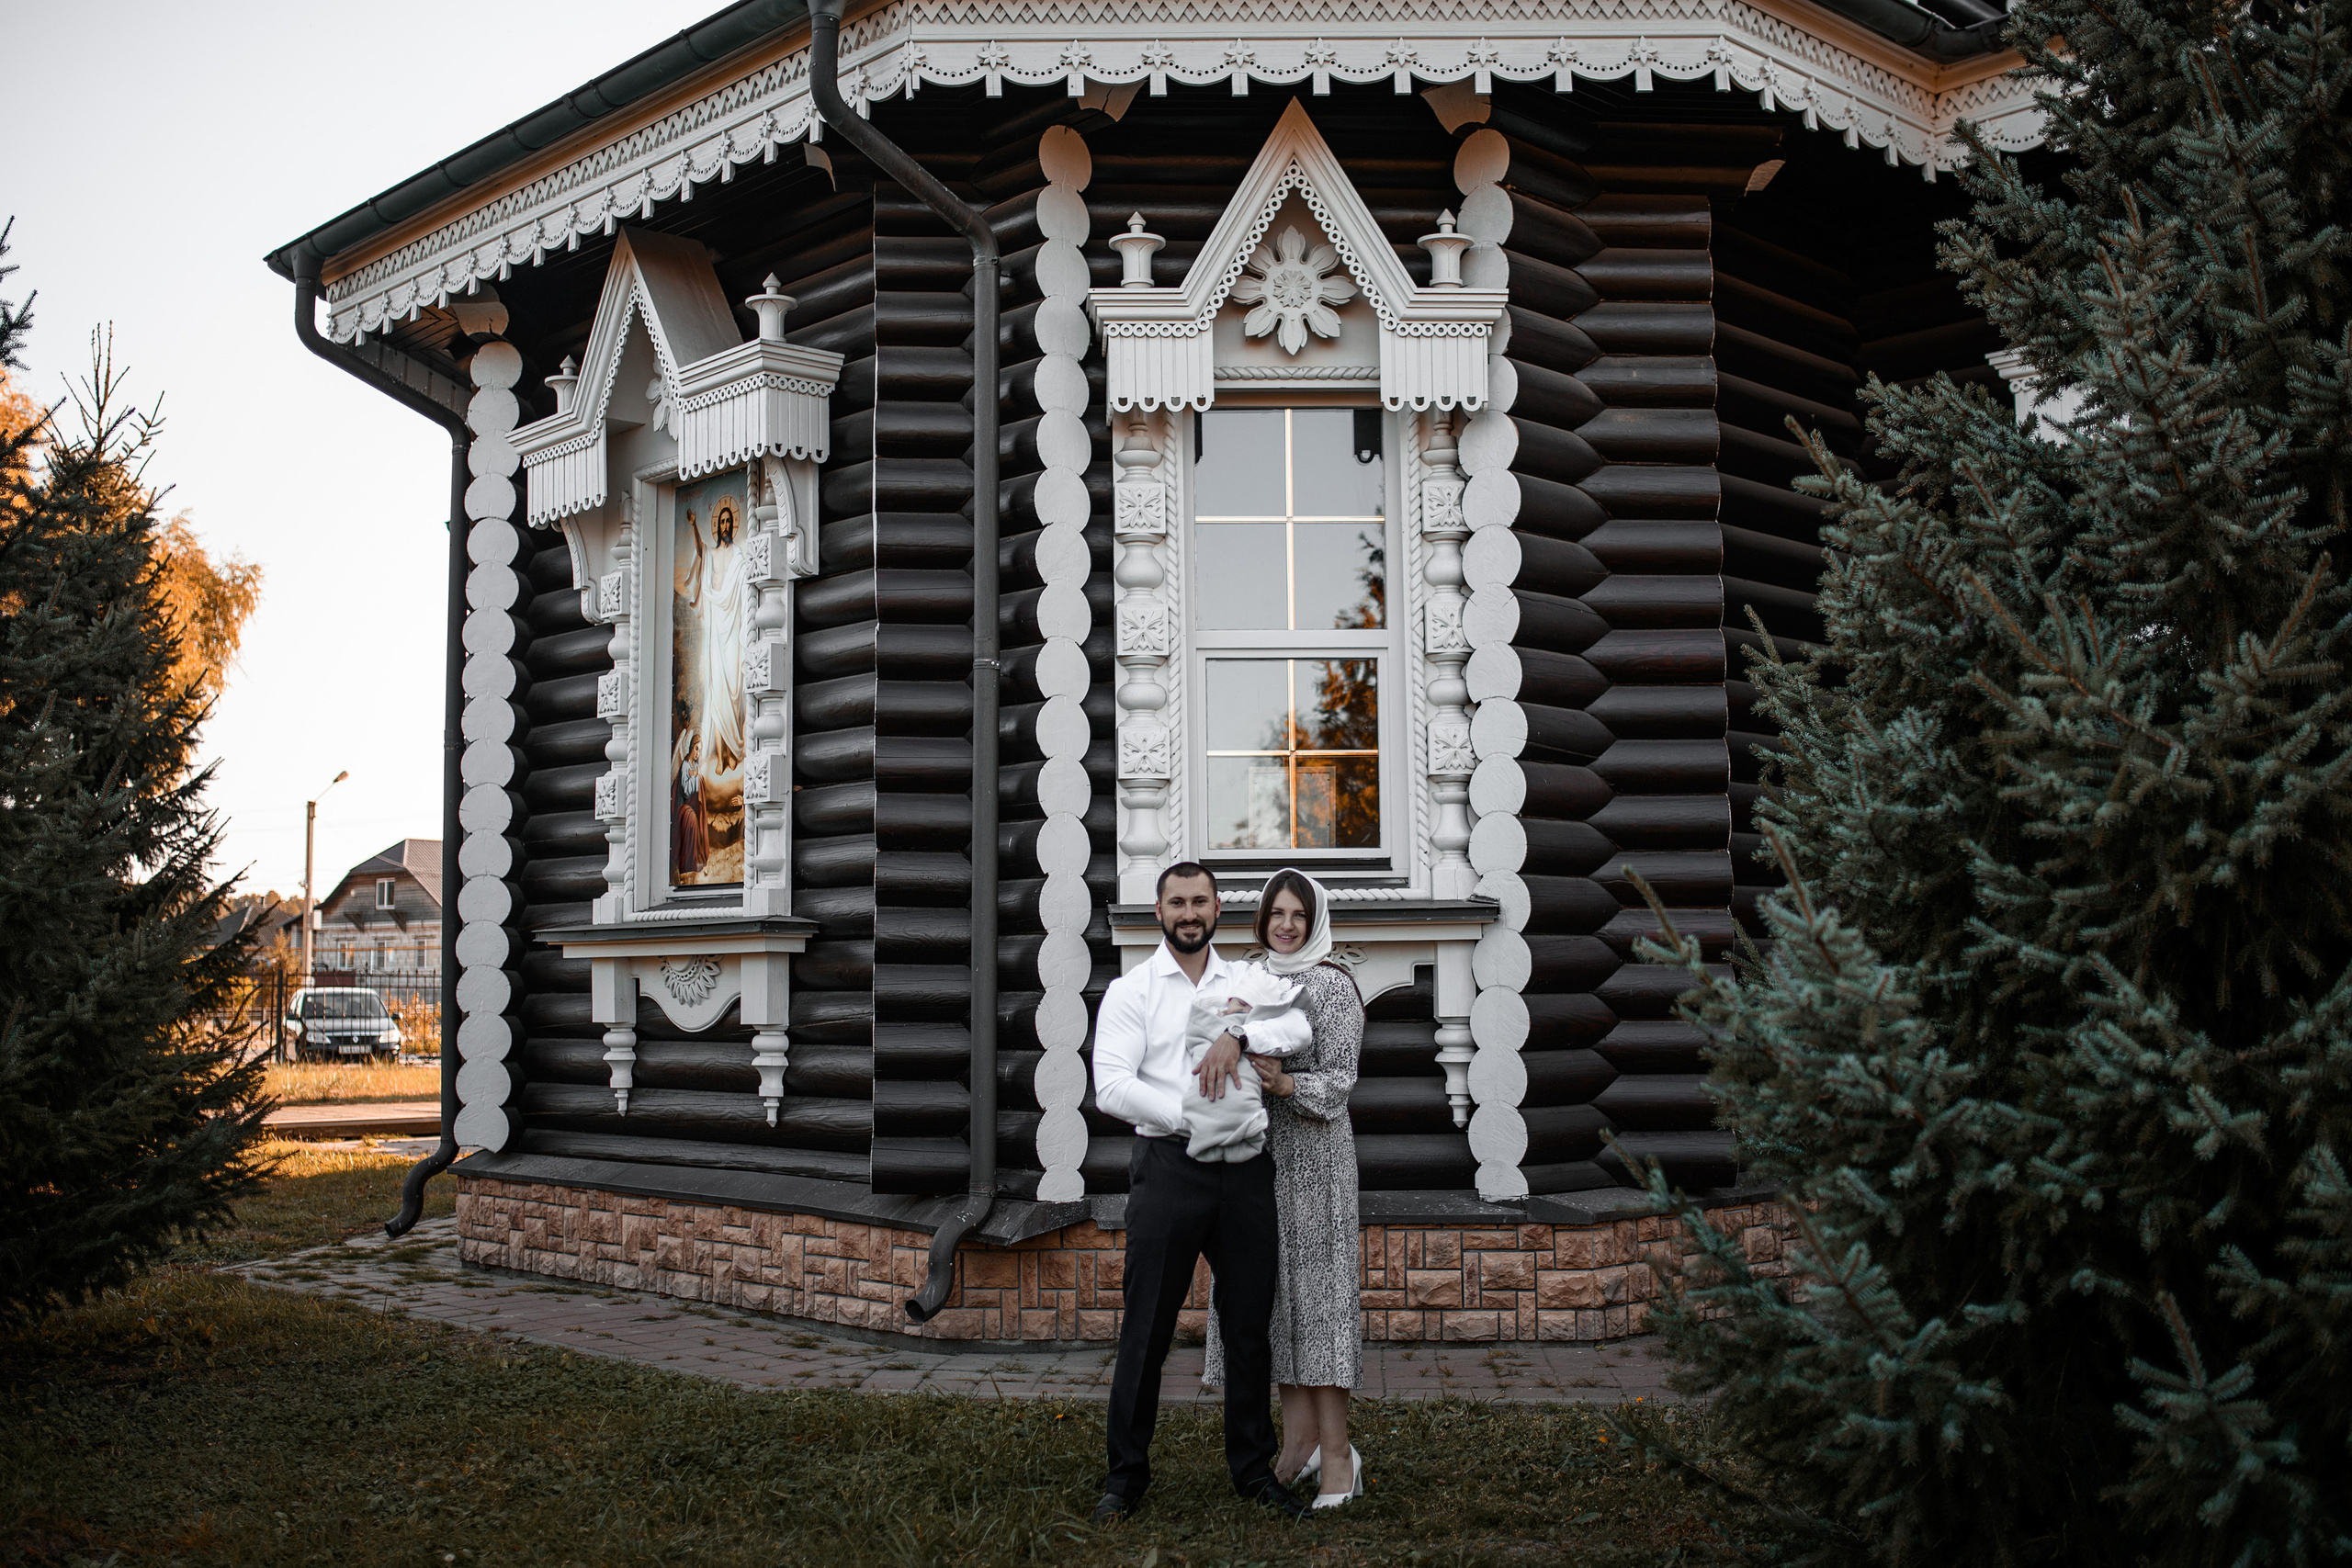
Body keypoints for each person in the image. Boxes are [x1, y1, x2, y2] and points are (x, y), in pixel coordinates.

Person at [1091, 863, 1315, 1525]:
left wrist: (1238, 1031)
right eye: (1176, 902)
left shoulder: (1245, 981)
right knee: (1147, 1327)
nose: (1189, 912)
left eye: (1200, 901)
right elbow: (1111, 1085)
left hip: (1245, 1171)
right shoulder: (1133, 990)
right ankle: (1125, 1477)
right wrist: (1194, 1113)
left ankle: (1252, 1469)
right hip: (1169, 1165)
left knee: (1249, 1325)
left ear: (1218, 906)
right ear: (1159, 910)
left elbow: (1296, 1027)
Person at [1203, 869, 1367, 1508]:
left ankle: (1338, 1456)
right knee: (1276, 1305)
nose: (1287, 924)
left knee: (1321, 1307)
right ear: (1263, 918)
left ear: (1315, 919)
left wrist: (1286, 1085)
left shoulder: (1331, 985)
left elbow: (1342, 1080)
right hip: (1255, 1162)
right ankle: (1296, 1442)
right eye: (1277, 912)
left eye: (1299, 913)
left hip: (1318, 1164)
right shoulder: (1250, 983)